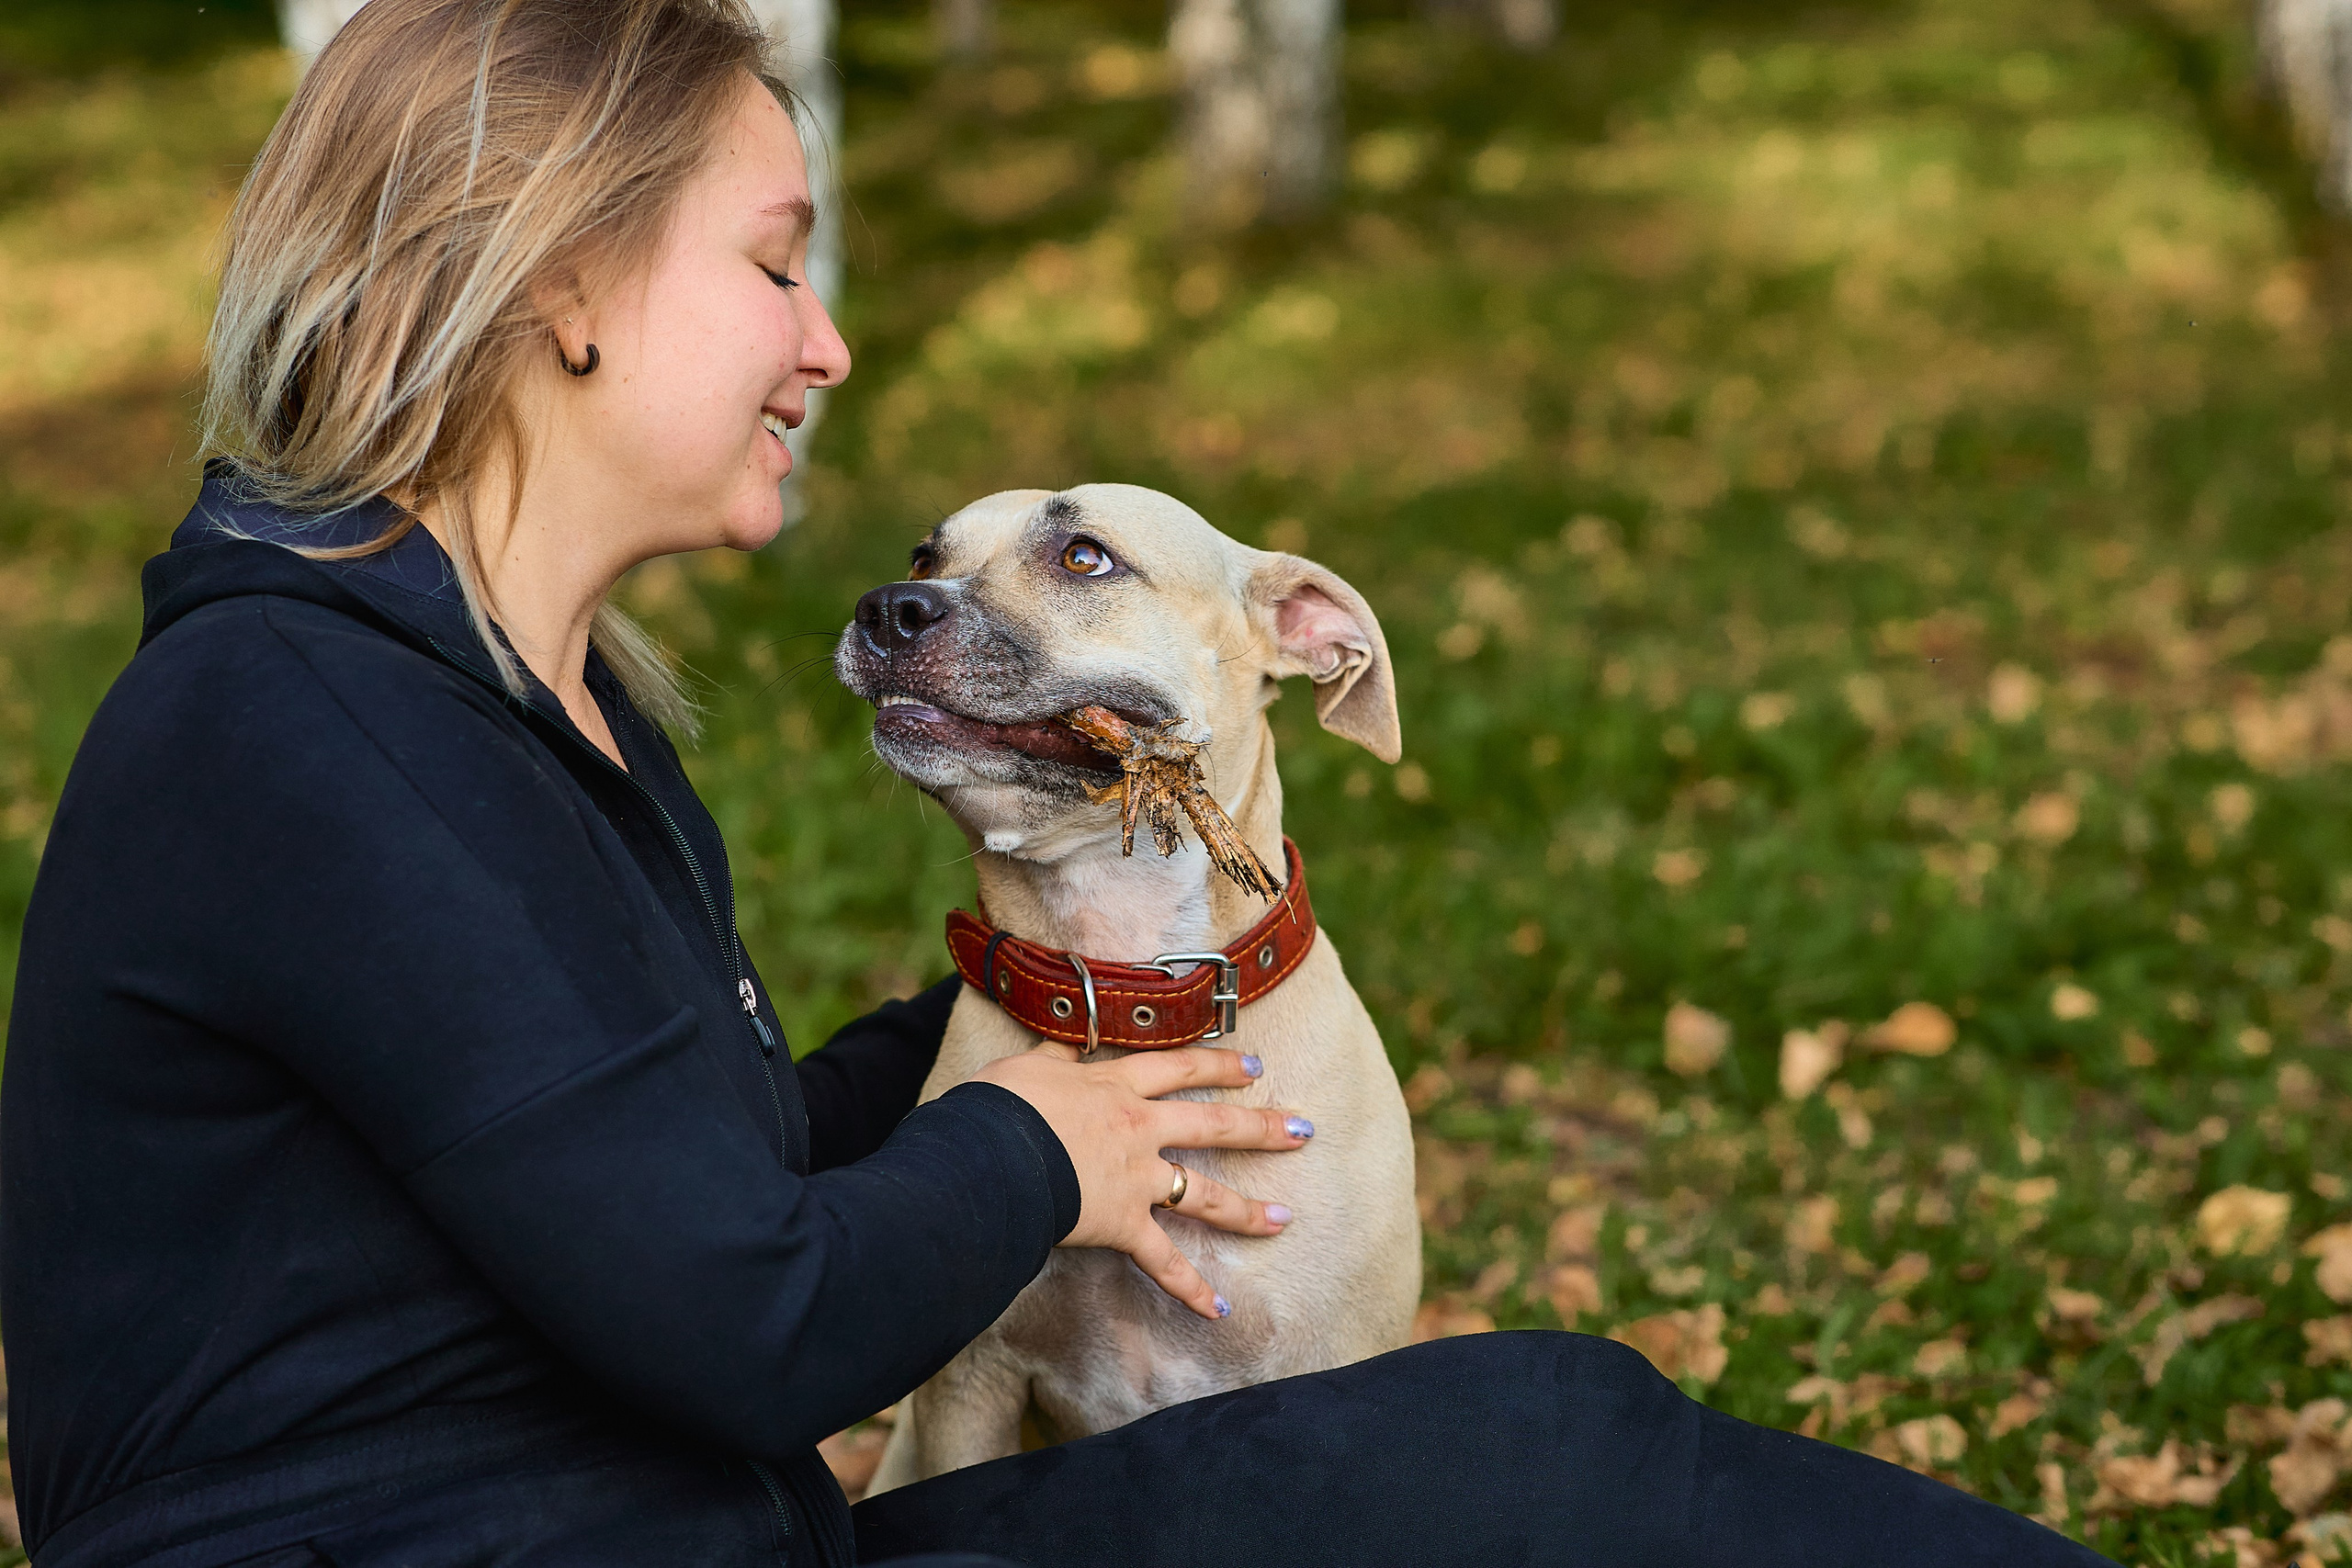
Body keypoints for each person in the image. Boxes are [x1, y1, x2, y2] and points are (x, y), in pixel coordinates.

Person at [0, 2, 2115, 1564]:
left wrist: (1107, 1003)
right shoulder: (289, 728)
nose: (824, 345)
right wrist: (1032, 1137)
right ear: (559, 279)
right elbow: (751, 1317)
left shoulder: (514, 703)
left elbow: (653, 1180)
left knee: (1537, 1433)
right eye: (771, 260)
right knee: (1548, 1453)